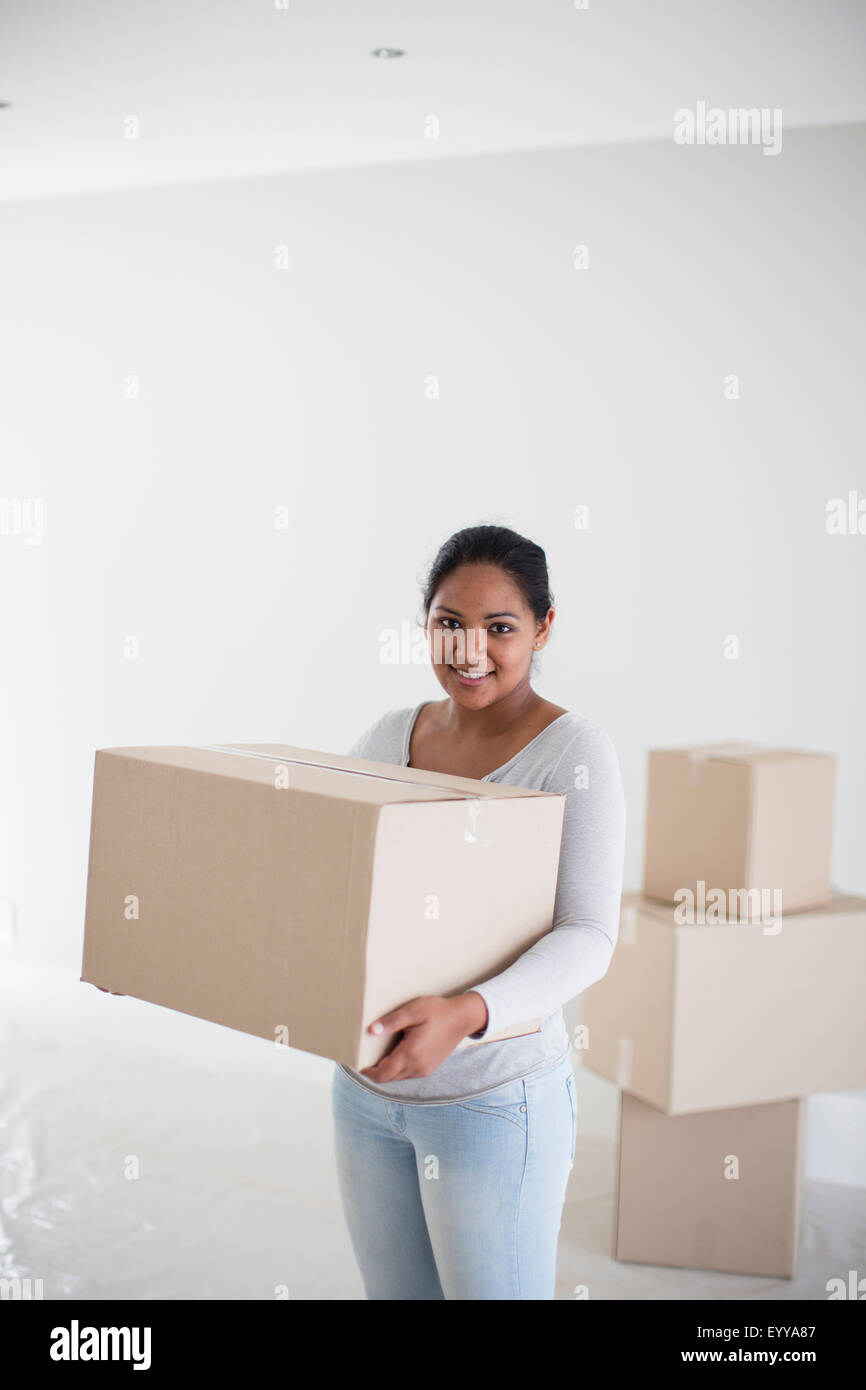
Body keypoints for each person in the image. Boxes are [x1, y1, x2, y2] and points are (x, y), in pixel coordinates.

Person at [332, 523, 626, 1299]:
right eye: (448, 624)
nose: (470, 651)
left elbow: (589, 935)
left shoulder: (574, 754)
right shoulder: (387, 738)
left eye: (500, 628)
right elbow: (328, 891)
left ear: (543, 628)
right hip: (365, 1094)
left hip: (493, 1103)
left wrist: (466, 1014)